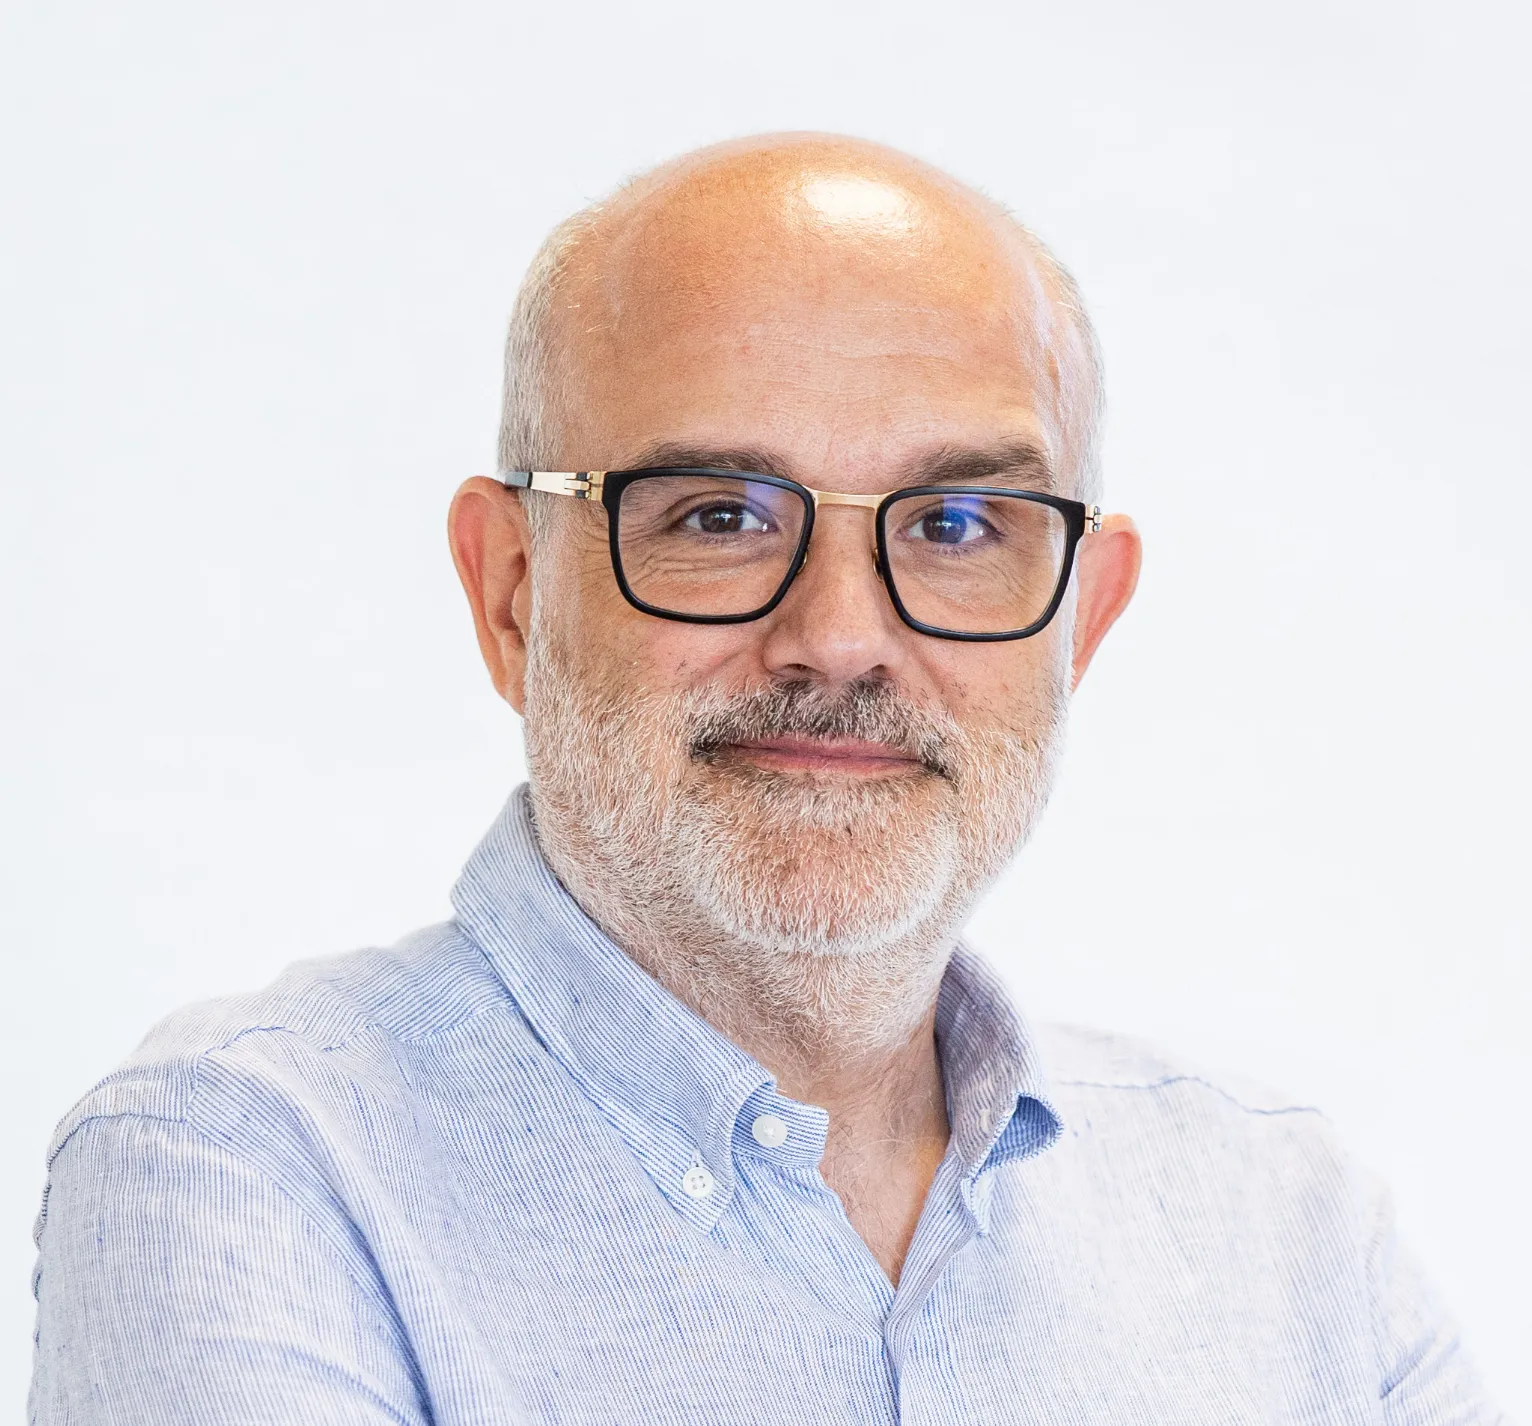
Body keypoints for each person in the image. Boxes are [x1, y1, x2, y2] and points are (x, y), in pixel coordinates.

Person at [29, 133, 1503, 1425]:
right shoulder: (250, 1170)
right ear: (512, 591)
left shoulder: (1289, 1229)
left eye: (958, 525)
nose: (840, 636)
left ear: (1082, 621)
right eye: (720, 514)